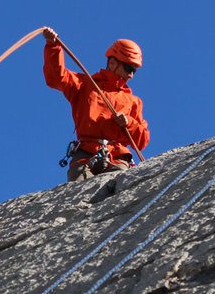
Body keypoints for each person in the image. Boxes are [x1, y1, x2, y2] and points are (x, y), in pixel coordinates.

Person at [41, 27, 150, 183]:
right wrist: (52, 45)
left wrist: (129, 123)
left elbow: (142, 140)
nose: (131, 75)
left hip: (117, 158)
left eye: (134, 71)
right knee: (79, 193)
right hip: (85, 155)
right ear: (112, 63)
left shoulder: (133, 101)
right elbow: (56, 78)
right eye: (128, 68)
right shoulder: (84, 85)